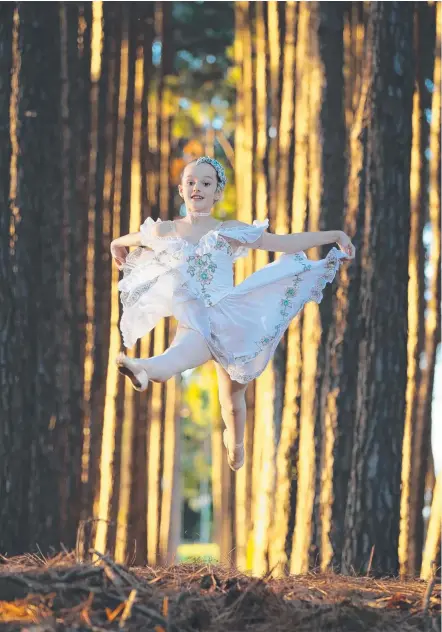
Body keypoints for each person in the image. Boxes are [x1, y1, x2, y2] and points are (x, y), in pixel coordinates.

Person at [110, 156, 355, 471]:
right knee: (173, 359)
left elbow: (283, 243)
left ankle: (235, 443)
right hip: (195, 323)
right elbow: (139, 238)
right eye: (191, 182)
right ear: (182, 190)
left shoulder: (227, 230)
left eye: (206, 183)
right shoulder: (167, 230)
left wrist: (333, 235)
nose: (197, 187)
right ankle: (140, 369)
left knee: (234, 406)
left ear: (217, 193)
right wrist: (118, 242)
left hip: (231, 321)